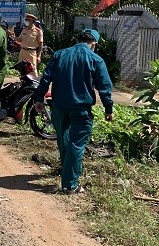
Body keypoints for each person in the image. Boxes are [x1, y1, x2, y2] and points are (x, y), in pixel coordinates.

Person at [34, 29, 114, 195]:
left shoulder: (59, 55)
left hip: (59, 106)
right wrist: (108, 108)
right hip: (81, 109)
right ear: (94, 44)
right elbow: (104, 87)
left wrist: (39, 98)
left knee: (63, 138)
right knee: (76, 144)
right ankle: (70, 184)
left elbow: (46, 78)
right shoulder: (95, 59)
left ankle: (66, 168)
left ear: (78, 40)